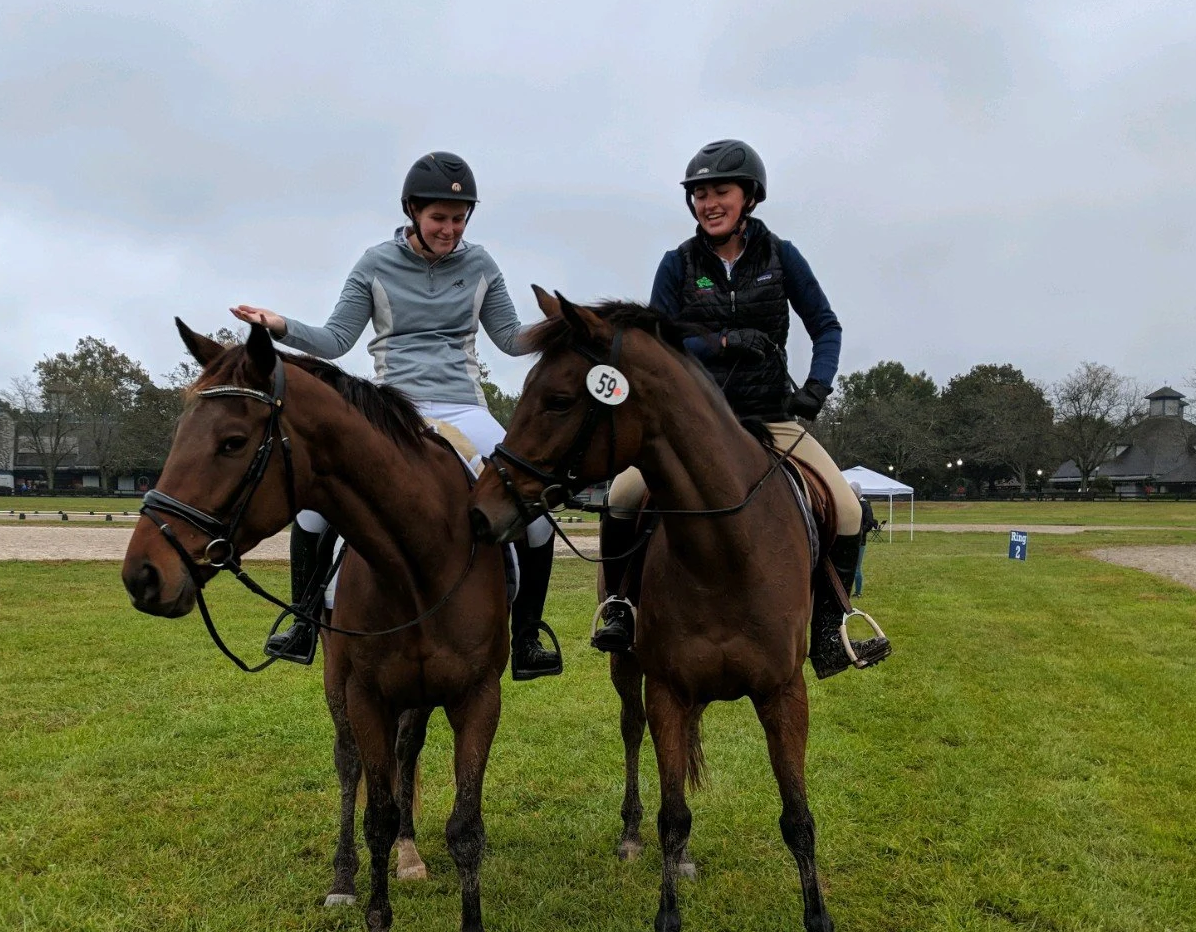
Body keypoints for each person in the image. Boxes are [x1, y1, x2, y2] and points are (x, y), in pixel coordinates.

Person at [230, 151, 562, 680]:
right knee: (315, 511)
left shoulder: (481, 267)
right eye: (438, 218)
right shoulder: (374, 263)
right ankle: (302, 622)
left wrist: (559, 327)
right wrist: (280, 325)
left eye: (459, 219)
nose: (449, 229)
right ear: (411, 211)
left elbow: (509, 338)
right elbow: (336, 340)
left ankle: (526, 637)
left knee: (537, 514)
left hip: (462, 405)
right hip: (391, 408)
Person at [590, 139, 890, 678]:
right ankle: (620, 605)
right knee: (623, 493)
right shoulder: (677, 263)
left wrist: (816, 388)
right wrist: (722, 344)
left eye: (720, 192)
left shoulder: (782, 256)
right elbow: (658, 342)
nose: (709, 202)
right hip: (693, 422)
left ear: (748, 196)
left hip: (768, 417)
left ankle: (828, 629)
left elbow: (826, 326)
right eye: (700, 194)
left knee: (845, 511)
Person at [852, 481, 877, 596]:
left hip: (860, 541)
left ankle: (858, 592)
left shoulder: (865, 505)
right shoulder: (852, 503)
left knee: (857, 567)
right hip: (852, 540)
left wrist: (861, 531)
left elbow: (870, 522)